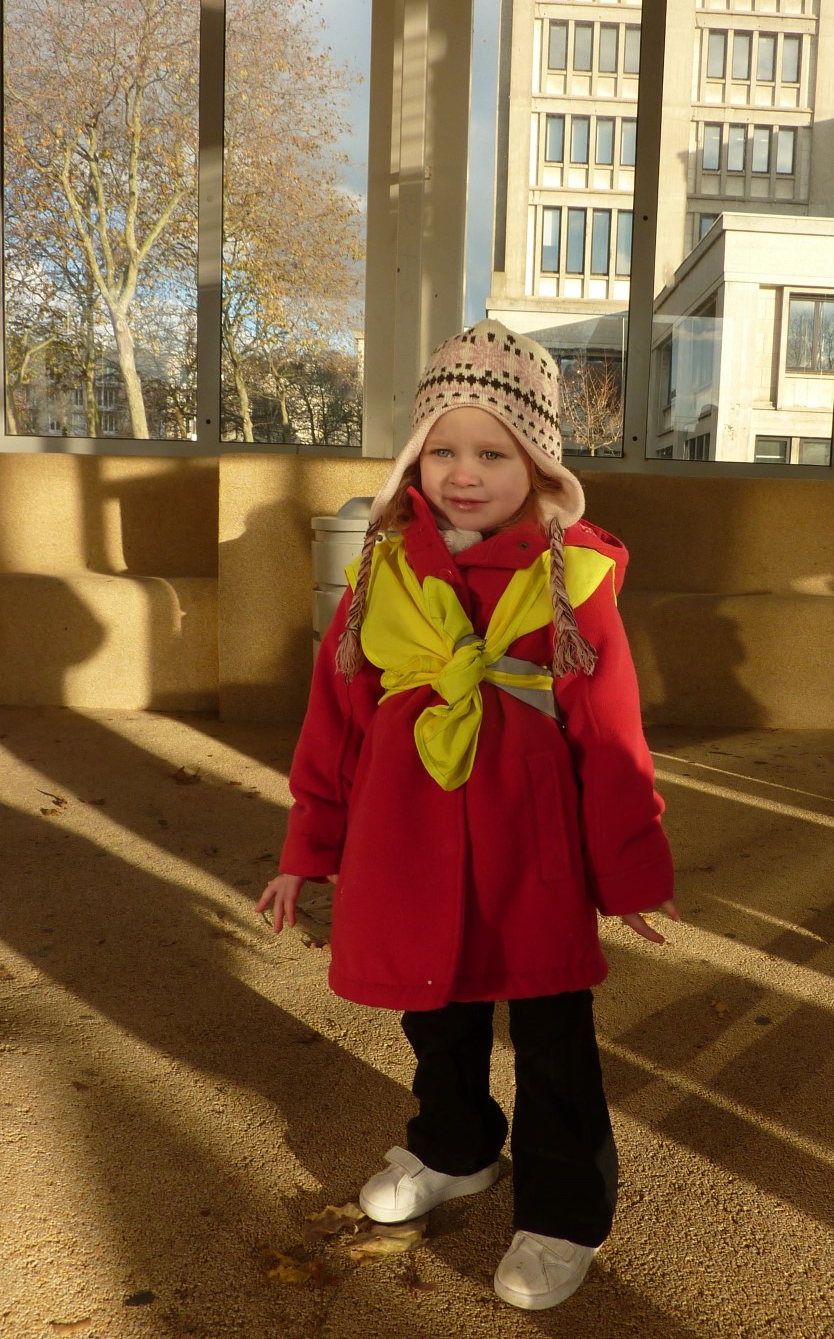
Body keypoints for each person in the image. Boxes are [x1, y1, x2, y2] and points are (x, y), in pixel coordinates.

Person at [257, 319, 677, 1309]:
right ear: (413, 459)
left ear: (536, 467)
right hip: (406, 848)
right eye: (442, 450)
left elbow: (611, 742)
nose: (463, 473)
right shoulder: (382, 576)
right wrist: (307, 847)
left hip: (529, 854)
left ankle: (563, 1208)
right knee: (434, 1014)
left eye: (493, 453)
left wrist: (630, 873)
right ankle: (455, 1146)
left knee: (551, 1033)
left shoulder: (570, 582)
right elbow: (337, 723)